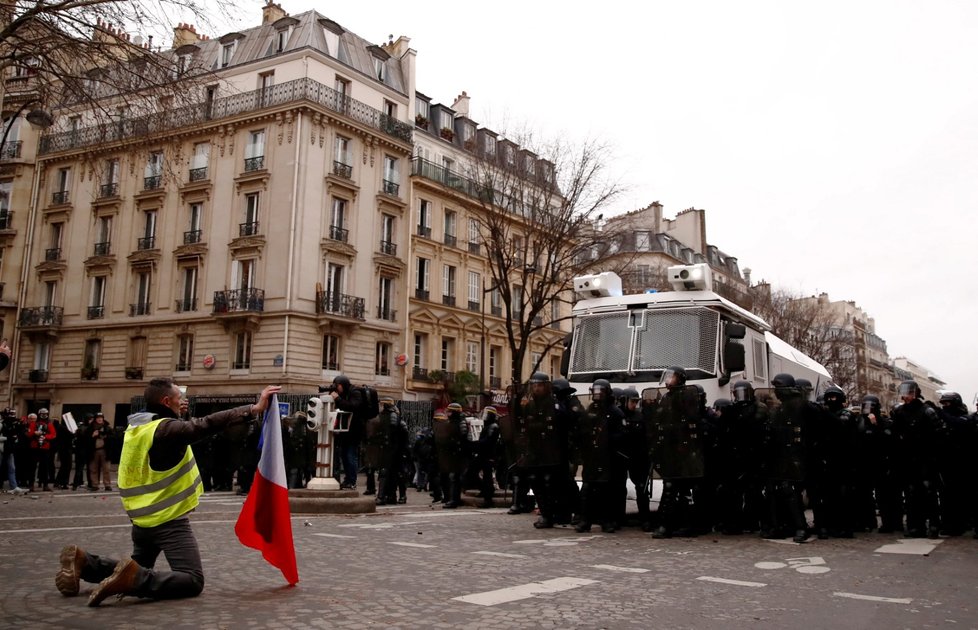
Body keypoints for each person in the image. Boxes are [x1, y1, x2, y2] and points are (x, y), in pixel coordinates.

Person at [54, 378, 280, 607]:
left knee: (136, 568)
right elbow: (205, 424)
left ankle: (85, 563)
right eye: (178, 398)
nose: (183, 402)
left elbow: (166, 445)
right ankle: (132, 580)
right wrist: (253, 409)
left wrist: (176, 415)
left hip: (142, 521)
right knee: (191, 580)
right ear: (165, 401)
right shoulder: (166, 429)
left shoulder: (138, 427)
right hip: (168, 520)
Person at [890, 380, 943, 538]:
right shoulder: (900, 412)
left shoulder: (927, 411)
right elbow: (895, 434)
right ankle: (915, 525)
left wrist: (933, 456)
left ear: (916, 393)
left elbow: (938, 435)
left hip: (925, 458)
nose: (906, 396)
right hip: (908, 458)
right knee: (911, 493)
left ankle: (933, 524)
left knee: (928, 492)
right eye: (905, 393)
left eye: (909, 393)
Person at [328, 374, 369, 490]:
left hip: (354, 431)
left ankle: (352, 480)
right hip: (345, 430)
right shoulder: (344, 393)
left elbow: (352, 406)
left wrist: (338, 399)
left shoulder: (355, 392)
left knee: (350, 456)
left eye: (338, 386)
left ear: (344, 384)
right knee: (344, 456)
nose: (337, 388)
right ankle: (347, 479)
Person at [28, 410, 57, 491]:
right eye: (42, 414)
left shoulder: (49, 424)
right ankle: (31, 485)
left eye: (45, 414)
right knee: (32, 467)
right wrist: (35, 433)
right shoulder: (34, 424)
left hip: (45, 447)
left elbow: (53, 434)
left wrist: (45, 436)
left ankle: (45, 485)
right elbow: (29, 434)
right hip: (35, 447)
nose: (44, 415)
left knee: (45, 467)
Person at [87, 413, 113, 491]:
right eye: (98, 418)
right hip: (94, 451)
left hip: (105, 451)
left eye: (101, 418)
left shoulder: (107, 428)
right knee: (93, 469)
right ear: (95, 419)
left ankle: (107, 484)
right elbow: (85, 439)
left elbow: (113, 438)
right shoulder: (90, 428)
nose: (100, 419)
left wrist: (104, 436)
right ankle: (95, 485)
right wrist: (92, 436)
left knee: (106, 469)